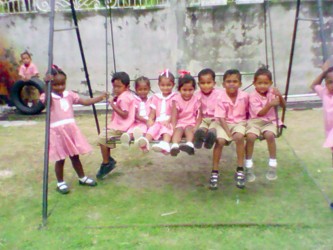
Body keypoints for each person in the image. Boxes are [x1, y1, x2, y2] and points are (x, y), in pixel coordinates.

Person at [41, 65, 107, 194]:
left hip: (70, 129)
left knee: (75, 156)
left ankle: (82, 178)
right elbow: (47, 103)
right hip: (57, 132)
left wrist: (100, 98)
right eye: (56, 85)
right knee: (60, 159)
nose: (60, 87)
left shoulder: (69, 94)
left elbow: (85, 102)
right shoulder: (47, 96)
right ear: (51, 85)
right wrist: (46, 85)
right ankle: (60, 183)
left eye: (62, 84)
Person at [209, 69, 249, 190]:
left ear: (240, 84)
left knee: (239, 137)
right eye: (228, 81)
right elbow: (220, 118)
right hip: (223, 123)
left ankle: (240, 169)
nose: (231, 84)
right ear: (223, 84)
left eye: (235, 81)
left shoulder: (245, 96)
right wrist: (228, 133)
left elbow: (249, 112)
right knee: (220, 141)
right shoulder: (220, 97)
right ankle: (214, 171)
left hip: (239, 122)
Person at [245, 67, 286, 182]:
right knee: (250, 137)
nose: (262, 86)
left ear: (270, 83)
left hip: (270, 122)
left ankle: (272, 165)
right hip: (255, 122)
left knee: (270, 135)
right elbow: (260, 113)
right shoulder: (252, 96)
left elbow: (283, 106)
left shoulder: (272, 93)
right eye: (259, 83)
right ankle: (248, 165)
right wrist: (270, 104)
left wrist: (280, 96)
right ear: (254, 83)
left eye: (266, 83)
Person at [96, 72, 136, 179]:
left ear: (127, 87)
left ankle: (106, 163)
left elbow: (124, 114)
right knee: (104, 138)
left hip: (122, 126)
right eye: (114, 87)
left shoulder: (123, 98)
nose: (116, 89)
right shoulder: (126, 95)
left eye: (119, 87)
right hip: (122, 125)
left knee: (101, 138)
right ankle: (108, 160)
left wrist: (112, 105)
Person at [137, 69, 176, 154]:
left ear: (173, 85)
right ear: (159, 85)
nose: (165, 87)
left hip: (168, 121)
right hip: (158, 121)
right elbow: (153, 111)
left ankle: (165, 145)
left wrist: (168, 120)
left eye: (168, 85)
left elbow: (175, 112)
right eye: (163, 85)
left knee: (167, 130)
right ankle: (145, 142)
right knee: (152, 129)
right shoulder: (156, 97)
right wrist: (150, 119)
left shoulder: (175, 97)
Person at [170, 71, 202, 156]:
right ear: (179, 89)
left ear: (194, 89)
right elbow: (174, 115)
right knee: (178, 131)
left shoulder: (196, 99)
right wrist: (173, 126)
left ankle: (189, 145)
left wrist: (196, 126)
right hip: (180, 122)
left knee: (189, 130)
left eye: (190, 90)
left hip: (191, 122)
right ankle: (175, 146)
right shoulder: (176, 99)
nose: (187, 93)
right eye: (184, 90)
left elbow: (199, 115)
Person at [311, 66, 333, 168]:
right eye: (330, 82)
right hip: (329, 131)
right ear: (326, 84)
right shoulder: (324, 92)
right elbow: (314, 85)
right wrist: (324, 72)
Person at [193, 68, 221, 149]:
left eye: (209, 83)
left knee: (214, 127)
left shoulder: (219, 94)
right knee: (202, 128)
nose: (206, 85)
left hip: (215, 119)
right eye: (203, 83)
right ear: (198, 84)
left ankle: (210, 137)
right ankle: (199, 138)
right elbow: (196, 111)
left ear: (214, 83)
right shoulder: (196, 95)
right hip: (203, 119)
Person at [121, 76, 152, 147]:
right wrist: (143, 120)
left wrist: (149, 120)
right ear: (136, 90)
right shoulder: (134, 100)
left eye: (145, 89)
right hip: (136, 122)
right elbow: (134, 113)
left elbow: (153, 112)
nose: (143, 91)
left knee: (143, 130)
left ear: (149, 89)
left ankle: (138, 139)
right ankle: (126, 139)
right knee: (131, 130)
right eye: (140, 90)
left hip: (146, 123)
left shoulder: (151, 99)